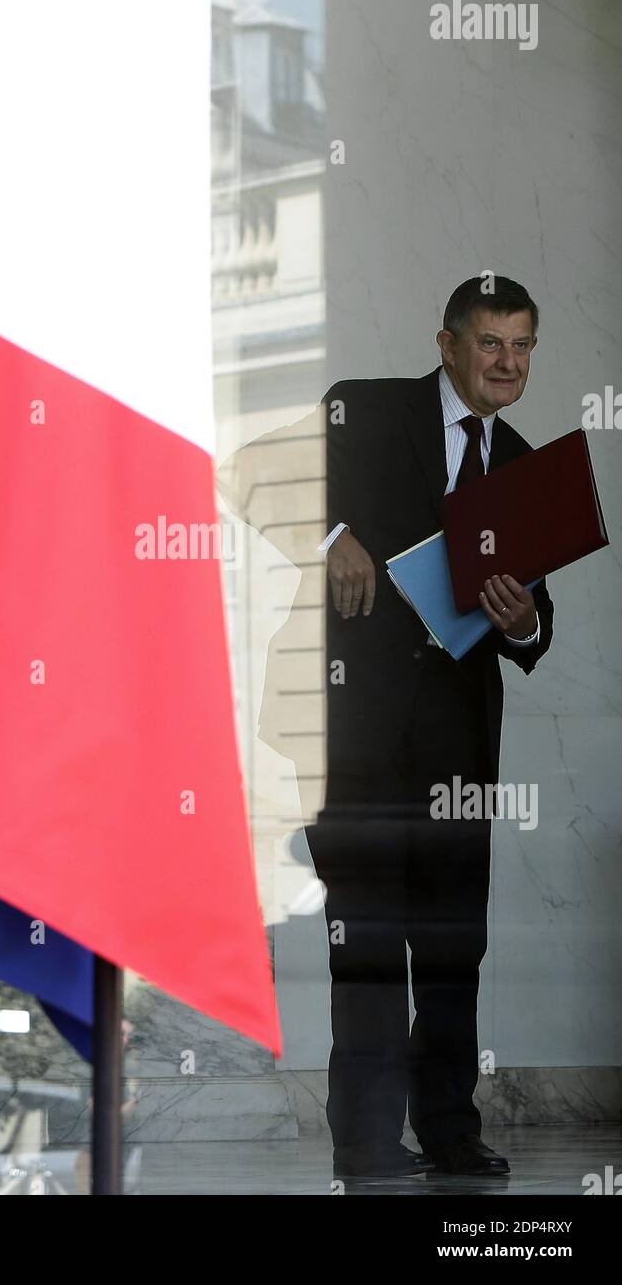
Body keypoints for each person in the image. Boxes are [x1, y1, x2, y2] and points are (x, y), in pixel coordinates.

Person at [220, 276, 554, 1178]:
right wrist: (332, 539)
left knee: (453, 941)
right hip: (349, 734)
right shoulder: (360, 410)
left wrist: (522, 619)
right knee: (366, 938)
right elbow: (246, 470)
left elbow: (535, 621)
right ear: (447, 345)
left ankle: (450, 1131)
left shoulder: (524, 466)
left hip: (456, 747)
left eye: (522, 347)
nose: (508, 364)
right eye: (491, 344)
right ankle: (366, 1143)